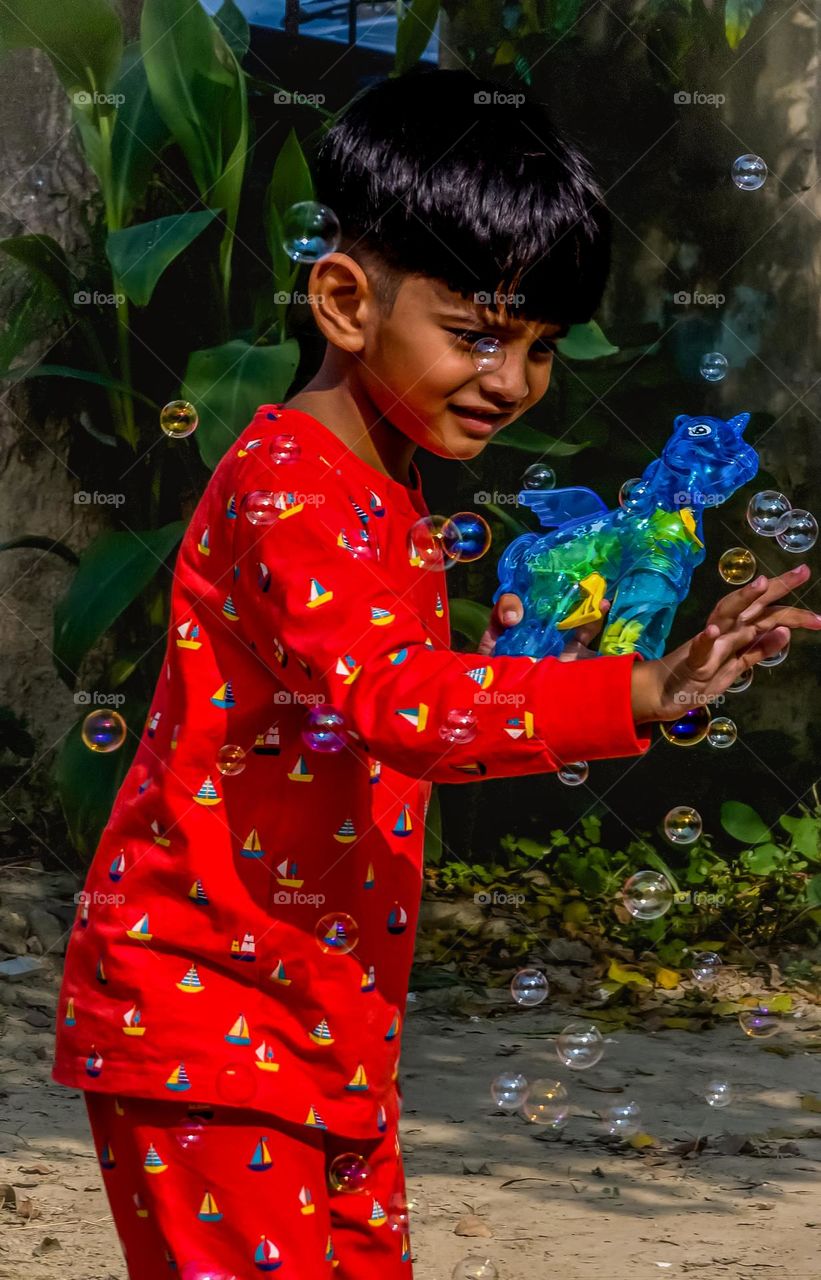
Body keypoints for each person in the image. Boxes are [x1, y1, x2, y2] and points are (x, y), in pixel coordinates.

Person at [51, 67, 821, 1280]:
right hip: (204, 1020)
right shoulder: (289, 489)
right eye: (475, 334)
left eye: (539, 347)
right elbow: (404, 705)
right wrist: (638, 690)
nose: (510, 382)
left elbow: (415, 698)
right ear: (346, 300)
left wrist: (619, 660)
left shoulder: (383, 489)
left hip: (326, 1019)